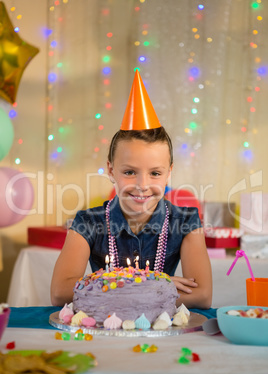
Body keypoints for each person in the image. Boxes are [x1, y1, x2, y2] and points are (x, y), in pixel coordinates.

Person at [50, 71, 212, 309]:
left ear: (169, 172)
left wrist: (108, 289)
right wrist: (153, 284)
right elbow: (60, 292)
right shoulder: (88, 221)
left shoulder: (185, 221)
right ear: (111, 170)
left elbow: (202, 296)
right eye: (129, 172)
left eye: (155, 173)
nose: (142, 185)